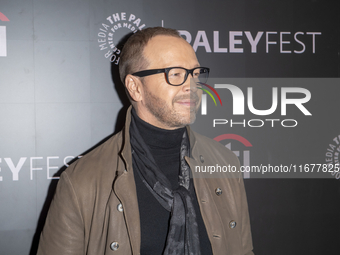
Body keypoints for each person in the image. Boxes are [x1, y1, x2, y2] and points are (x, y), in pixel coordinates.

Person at [37, 27, 254, 255]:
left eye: (195, 73)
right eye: (175, 73)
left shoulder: (223, 162)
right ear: (135, 87)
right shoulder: (81, 181)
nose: (192, 86)